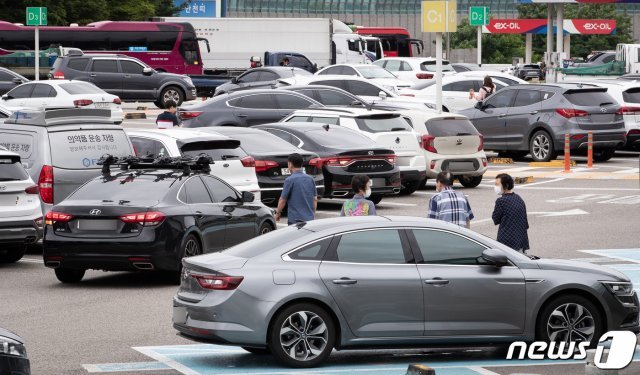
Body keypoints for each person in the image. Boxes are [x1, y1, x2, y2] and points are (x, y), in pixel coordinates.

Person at [275, 153, 317, 225]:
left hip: (295, 220)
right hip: (309, 219)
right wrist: (312, 214)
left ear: (290, 164)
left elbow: (282, 200)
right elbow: (315, 199)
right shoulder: (310, 179)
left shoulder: (289, 180)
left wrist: (278, 213)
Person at [492, 173, 530, 253]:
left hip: (507, 242)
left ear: (505, 186)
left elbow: (495, 219)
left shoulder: (501, 201)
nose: (495, 187)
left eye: (497, 184)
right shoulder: (518, 198)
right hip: (521, 240)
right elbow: (525, 223)